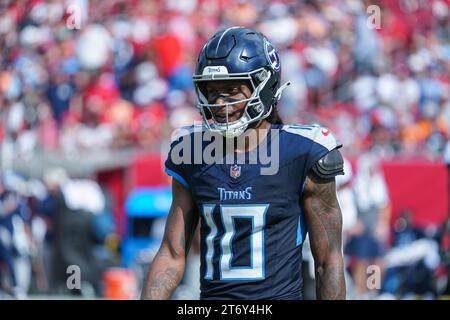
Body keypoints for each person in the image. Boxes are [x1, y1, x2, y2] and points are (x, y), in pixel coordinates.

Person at [141, 27, 346, 300]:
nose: (220, 102)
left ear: (265, 85)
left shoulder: (304, 152)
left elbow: (327, 261)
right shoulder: (192, 152)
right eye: (212, 91)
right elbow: (171, 253)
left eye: (232, 90)